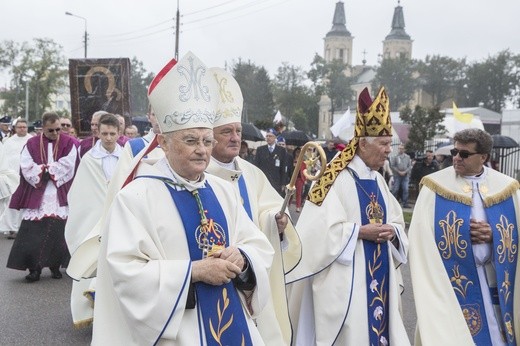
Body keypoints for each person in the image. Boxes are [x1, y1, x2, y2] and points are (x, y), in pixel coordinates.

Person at [92, 52, 274, 345]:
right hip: (177, 331)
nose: (202, 150)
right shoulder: (135, 198)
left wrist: (244, 256)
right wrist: (195, 271)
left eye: (206, 141)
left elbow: (256, 245)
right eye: (190, 141)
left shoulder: (223, 190)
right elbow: (125, 273)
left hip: (234, 322)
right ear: (163, 142)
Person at [286, 87, 410, 346]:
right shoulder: (333, 178)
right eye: (383, 144)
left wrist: (394, 232)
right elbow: (315, 232)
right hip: (348, 283)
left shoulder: (378, 179)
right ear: (363, 143)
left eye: (390, 144)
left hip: (380, 278)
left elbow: (397, 221)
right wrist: (360, 232)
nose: (389, 150)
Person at [206, 66, 301, 345]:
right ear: (210, 135)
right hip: (219, 270)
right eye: (226, 131)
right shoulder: (199, 174)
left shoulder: (250, 172)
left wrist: (277, 221)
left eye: (237, 131)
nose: (235, 137)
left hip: (251, 270)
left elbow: (267, 211)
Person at [409, 128, 520, 345]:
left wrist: (494, 234)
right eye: (454, 152)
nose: (457, 158)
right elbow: (420, 237)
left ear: (484, 157)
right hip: (451, 283)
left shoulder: (507, 188)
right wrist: (460, 234)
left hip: (494, 278)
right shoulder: (434, 187)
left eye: (464, 154)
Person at [65, 113, 122, 327]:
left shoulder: (125, 156)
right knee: (94, 263)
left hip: (119, 216)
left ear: (119, 133)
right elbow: (81, 193)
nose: (108, 138)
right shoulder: (90, 158)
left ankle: (117, 312)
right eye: (104, 133)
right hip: (95, 220)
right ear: (97, 132)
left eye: (112, 134)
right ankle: (94, 310)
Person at [6, 112, 77, 282]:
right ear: (42, 129)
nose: (55, 133)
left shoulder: (68, 142)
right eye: (50, 130)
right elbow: (26, 165)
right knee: (34, 232)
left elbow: (70, 163)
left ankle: (55, 265)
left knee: (58, 231)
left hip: (59, 191)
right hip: (39, 191)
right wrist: (42, 171)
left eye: (58, 129)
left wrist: (50, 170)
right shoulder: (31, 143)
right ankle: (34, 268)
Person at [0, 118, 32, 239]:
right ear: (15, 128)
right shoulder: (8, 142)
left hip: (26, 177)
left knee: (25, 203)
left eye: (24, 127)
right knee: (11, 203)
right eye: (20, 127)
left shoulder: (31, 140)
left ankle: (22, 228)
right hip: (12, 177)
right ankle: (11, 228)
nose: (22, 129)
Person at [254, 128, 288, 196]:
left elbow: (283, 168)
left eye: (270, 136)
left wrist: (283, 183)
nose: (268, 138)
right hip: (263, 181)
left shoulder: (281, 150)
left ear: (275, 137)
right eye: (267, 136)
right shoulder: (260, 149)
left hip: (276, 182)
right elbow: (256, 166)